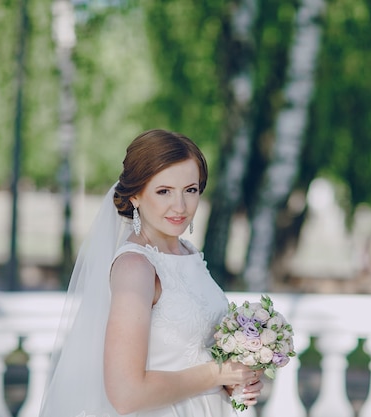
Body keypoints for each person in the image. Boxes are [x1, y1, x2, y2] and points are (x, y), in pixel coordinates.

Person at [39, 129, 263, 417]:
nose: (180, 206)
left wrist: (233, 383)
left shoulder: (188, 253)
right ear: (135, 195)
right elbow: (125, 394)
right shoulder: (136, 267)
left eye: (190, 190)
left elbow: (190, 354)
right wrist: (218, 374)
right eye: (164, 191)